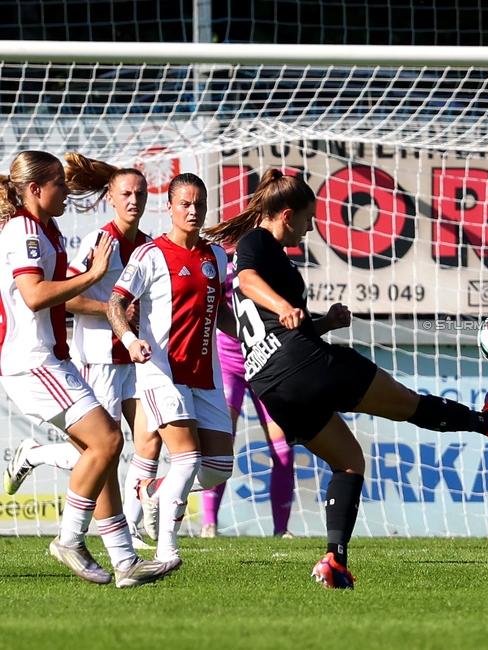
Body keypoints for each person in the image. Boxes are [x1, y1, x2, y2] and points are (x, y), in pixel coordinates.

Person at [203, 169, 488, 589]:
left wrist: (323, 323)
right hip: (305, 367)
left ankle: (335, 560)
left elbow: (262, 326)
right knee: (409, 405)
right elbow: (249, 281)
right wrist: (283, 305)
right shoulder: (257, 242)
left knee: (348, 462)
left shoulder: (264, 250)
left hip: (272, 385)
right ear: (287, 215)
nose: (310, 227)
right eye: (308, 218)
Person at [0, 150, 179, 587]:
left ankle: (123, 560)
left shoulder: (50, 229)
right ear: (34, 190)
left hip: (53, 358)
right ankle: (69, 538)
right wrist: (96, 274)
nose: (67, 190)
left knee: (104, 451)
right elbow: (36, 295)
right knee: (108, 441)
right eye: (59, 183)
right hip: (33, 361)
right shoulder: (22, 228)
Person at [107, 173, 236, 565]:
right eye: (185, 204)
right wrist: (131, 341)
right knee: (187, 458)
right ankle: (167, 549)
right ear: (170, 207)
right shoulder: (150, 254)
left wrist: (251, 332)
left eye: (199, 204)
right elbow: (116, 302)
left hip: (205, 376)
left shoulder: (216, 256)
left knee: (219, 468)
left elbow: (218, 313)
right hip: (162, 372)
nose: (193, 211)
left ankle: (152, 491)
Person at [199, 256, 294, 539]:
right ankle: (209, 524)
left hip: (266, 362)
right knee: (221, 443)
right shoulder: (222, 265)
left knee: (284, 450)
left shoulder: (277, 266)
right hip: (228, 365)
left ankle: (281, 530)